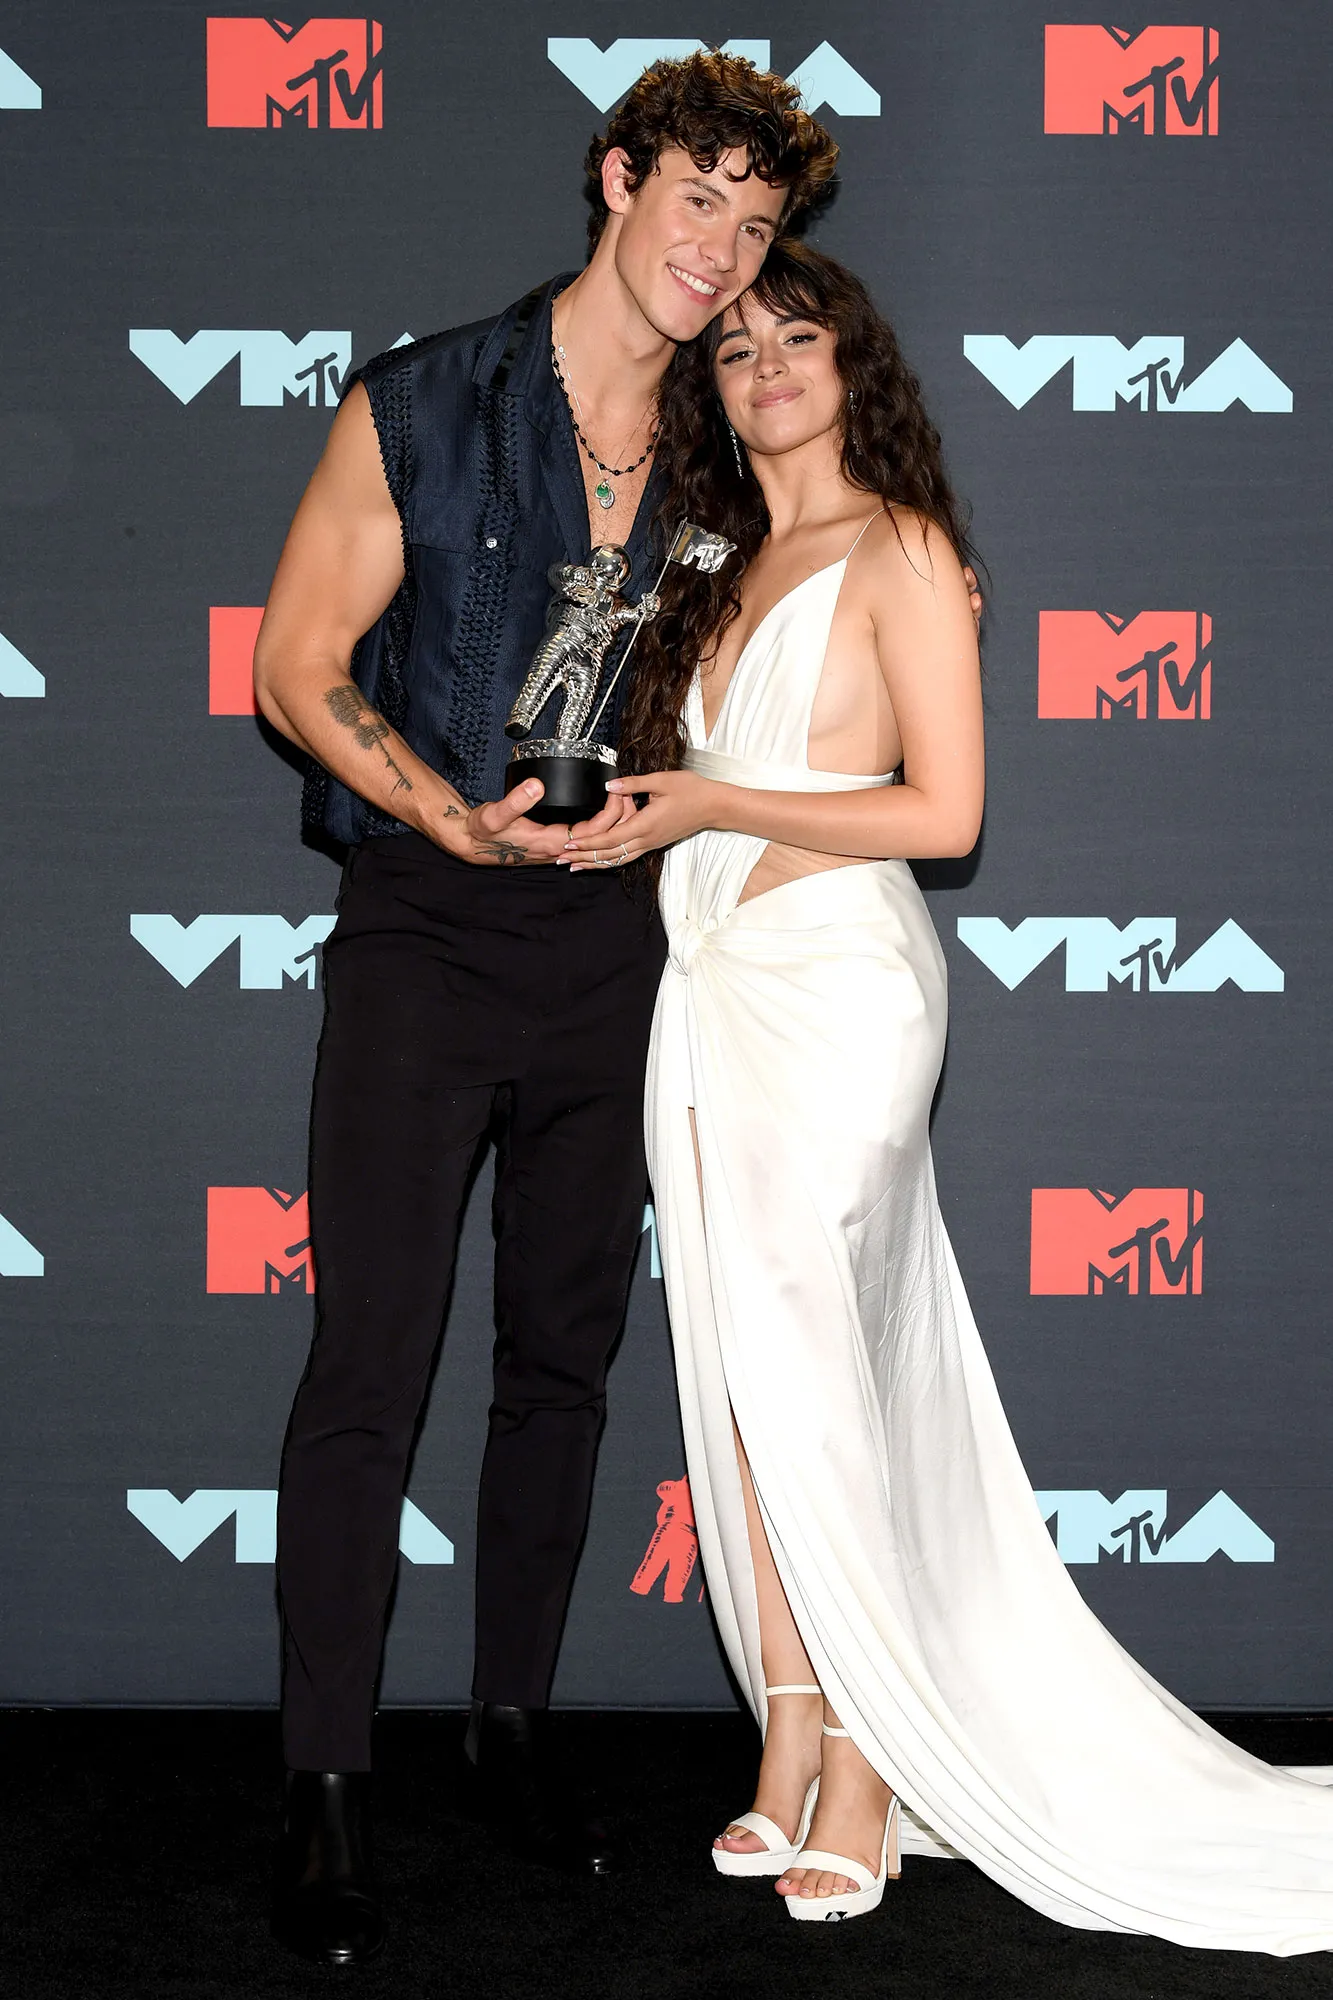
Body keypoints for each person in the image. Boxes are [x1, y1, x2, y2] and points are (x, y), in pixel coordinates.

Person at [562, 241, 1333, 1951]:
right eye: (737, 343)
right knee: (746, 1380)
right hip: (708, 1000)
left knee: (821, 1367)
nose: (765, 363)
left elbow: (944, 814)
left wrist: (711, 807)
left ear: (856, 364)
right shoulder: (710, 567)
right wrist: (642, 814)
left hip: (840, 994)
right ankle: (789, 1728)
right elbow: (680, 778)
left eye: (798, 337)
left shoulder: (899, 547)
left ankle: (870, 1768)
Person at [250, 53, 840, 1967]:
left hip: (619, 947)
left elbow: (816, 632)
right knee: (370, 1367)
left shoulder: (728, 453)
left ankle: (512, 1729)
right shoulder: (420, 398)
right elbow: (293, 665)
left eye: (756, 228)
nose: (720, 251)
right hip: (427, 927)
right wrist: (450, 818)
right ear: (616, 178)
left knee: (562, 1367)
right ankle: (327, 1782)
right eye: (699, 200)